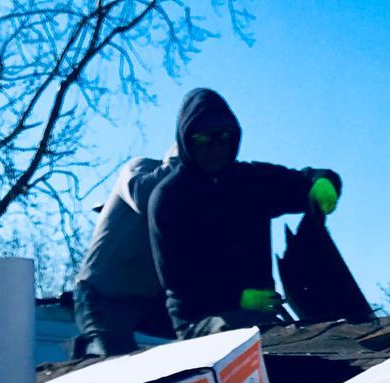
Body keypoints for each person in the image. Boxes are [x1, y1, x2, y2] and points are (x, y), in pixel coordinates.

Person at [146, 88, 341, 338]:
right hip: (200, 320)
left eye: (223, 138)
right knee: (242, 339)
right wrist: (239, 297)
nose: (215, 148)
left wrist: (324, 183)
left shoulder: (252, 181)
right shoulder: (169, 198)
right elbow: (181, 281)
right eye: (204, 139)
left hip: (265, 315)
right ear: (187, 140)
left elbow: (307, 180)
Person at [73, 156, 174, 358]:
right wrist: (180, 162)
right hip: (101, 296)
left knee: (206, 326)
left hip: (147, 300)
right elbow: (142, 195)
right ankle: (89, 349)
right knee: (115, 363)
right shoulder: (143, 167)